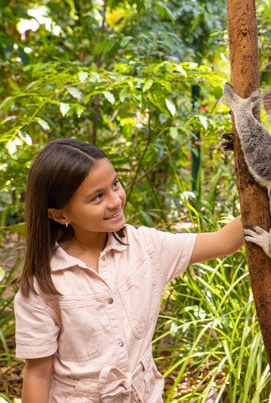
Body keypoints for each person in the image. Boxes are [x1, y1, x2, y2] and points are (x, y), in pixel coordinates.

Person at [14, 138, 245, 402]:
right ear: (59, 215)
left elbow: (225, 241)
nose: (115, 201)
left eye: (115, 184)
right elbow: (38, 375)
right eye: (97, 197)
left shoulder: (146, 247)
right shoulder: (43, 284)